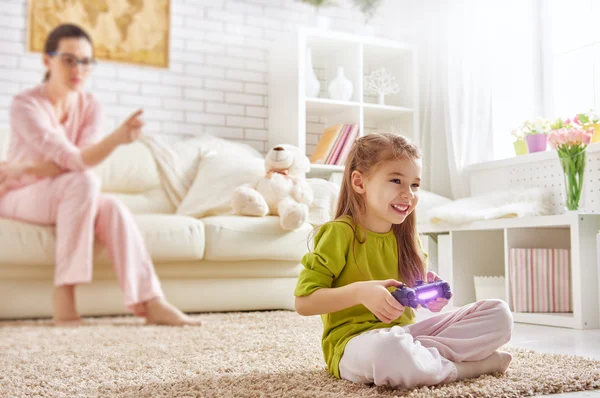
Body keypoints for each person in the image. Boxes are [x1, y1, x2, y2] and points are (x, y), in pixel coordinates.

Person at [0, 23, 201, 326]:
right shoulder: (26, 105)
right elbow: (76, 160)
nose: (78, 68)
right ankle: (64, 295)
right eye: (69, 59)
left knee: (113, 207)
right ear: (47, 60)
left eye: (85, 61)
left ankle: (151, 301)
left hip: (68, 193)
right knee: (82, 181)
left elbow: (79, 163)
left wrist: (37, 166)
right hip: (18, 195)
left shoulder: (92, 106)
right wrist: (115, 139)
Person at [294, 132, 513, 389]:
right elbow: (304, 303)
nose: (408, 194)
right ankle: (469, 367)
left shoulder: (407, 237)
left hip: (408, 336)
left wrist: (432, 298)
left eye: (415, 185)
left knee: (499, 314)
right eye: (396, 180)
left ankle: (424, 362)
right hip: (354, 344)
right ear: (359, 182)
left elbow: (413, 303)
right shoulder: (339, 233)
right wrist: (360, 293)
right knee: (391, 351)